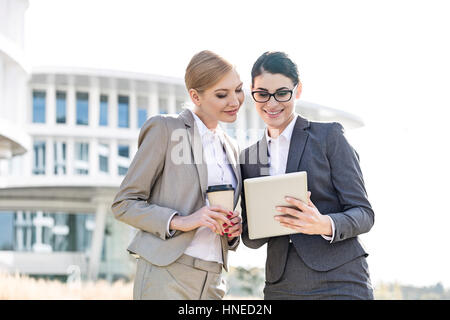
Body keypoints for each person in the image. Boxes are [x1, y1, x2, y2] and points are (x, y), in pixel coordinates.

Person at [240, 51, 375, 300]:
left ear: (297, 90)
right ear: (252, 92)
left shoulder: (329, 137)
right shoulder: (249, 158)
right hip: (281, 285)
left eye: (282, 93)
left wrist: (323, 224)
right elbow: (251, 237)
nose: (271, 103)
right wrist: (236, 228)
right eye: (262, 94)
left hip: (340, 280)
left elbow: (364, 214)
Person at [111, 50, 244, 300]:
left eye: (238, 89)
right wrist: (181, 221)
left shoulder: (232, 148)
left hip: (214, 280)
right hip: (168, 273)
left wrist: (233, 229)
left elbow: (223, 212)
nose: (235, 101)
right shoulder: (165, 129)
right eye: (221, 94)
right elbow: (123, 204)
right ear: (195, 96)